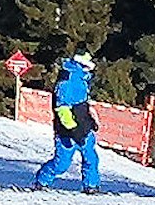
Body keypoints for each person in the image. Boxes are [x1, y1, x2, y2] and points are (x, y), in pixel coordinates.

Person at [31, 50, 103, 191]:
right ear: (80, 64)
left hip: (84, 128)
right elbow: (62, 109)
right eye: (87, 66)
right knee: (62, 163)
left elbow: (83, 103)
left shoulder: (81, 79)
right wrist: (73, 129)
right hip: (68, 132)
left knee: (91, 158)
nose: (90, 69)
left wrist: (91, 119)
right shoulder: (67, 81)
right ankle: (42, 180)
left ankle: (91, 185)